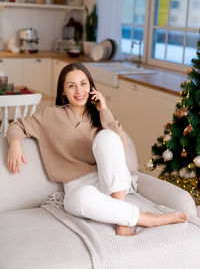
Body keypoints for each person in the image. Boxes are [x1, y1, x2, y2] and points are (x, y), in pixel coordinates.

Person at [7, 63, 188, 237]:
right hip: (77, 186)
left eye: (83, 84)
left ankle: (123, 222)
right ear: (63, 91)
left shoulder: (100, 115)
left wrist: (104, 110)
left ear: (91, 87)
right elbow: (18, 125)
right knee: (78, 200)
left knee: (107, 136)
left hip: (109, 182)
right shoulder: (50, 115)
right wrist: (15, 143)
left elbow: (120, 143)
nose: (79, 91)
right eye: (72, 86)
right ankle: (146, 218)